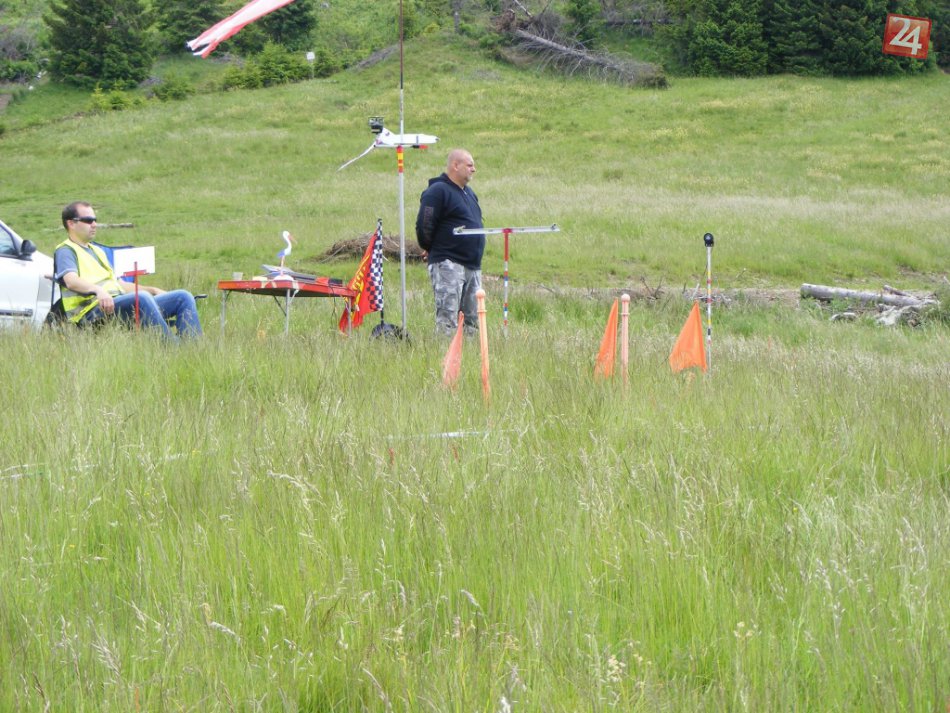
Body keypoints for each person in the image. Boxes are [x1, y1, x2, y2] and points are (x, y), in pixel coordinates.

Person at [54, 201, 203, 339]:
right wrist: (98, 291)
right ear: (71, 223)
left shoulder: (97, 251)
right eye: (88, 220)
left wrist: (153, 290)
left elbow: (120, 284)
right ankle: (173, 347)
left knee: (183, 297)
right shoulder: (66, 250)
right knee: (141, 298)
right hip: (90, 313)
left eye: (95, 220)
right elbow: (70, 280)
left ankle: (192, 348)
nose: (94, 224)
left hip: (118, 303)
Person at [416, 148, 485, 335]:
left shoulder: (469, 194)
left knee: (472, 321)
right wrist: (430, 248)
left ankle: (469, 352)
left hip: (472, 265)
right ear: (455, 165)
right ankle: (446, 352)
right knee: (448, 319)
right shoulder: (438, 191)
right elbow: (424, 225)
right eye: (469, 165)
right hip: (448, 263)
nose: (474, 169)